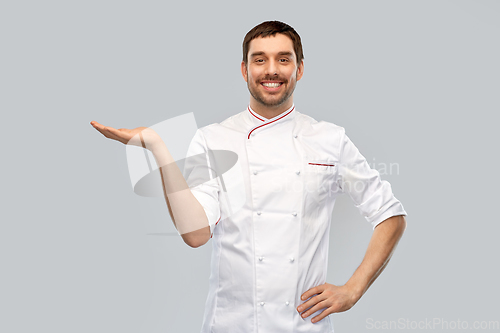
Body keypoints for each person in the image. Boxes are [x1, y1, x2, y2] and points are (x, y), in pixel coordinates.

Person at [91, 20, 407, 333]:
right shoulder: (211, 139)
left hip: (303, 326)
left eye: (283, 59)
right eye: (260, 60)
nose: (271, 70)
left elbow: (390, 214)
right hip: (231, 325)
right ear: (244, 70)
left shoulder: (330, 140)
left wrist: (353, 289)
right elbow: (196, 234)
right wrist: (157, 148)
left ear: (299, 69)